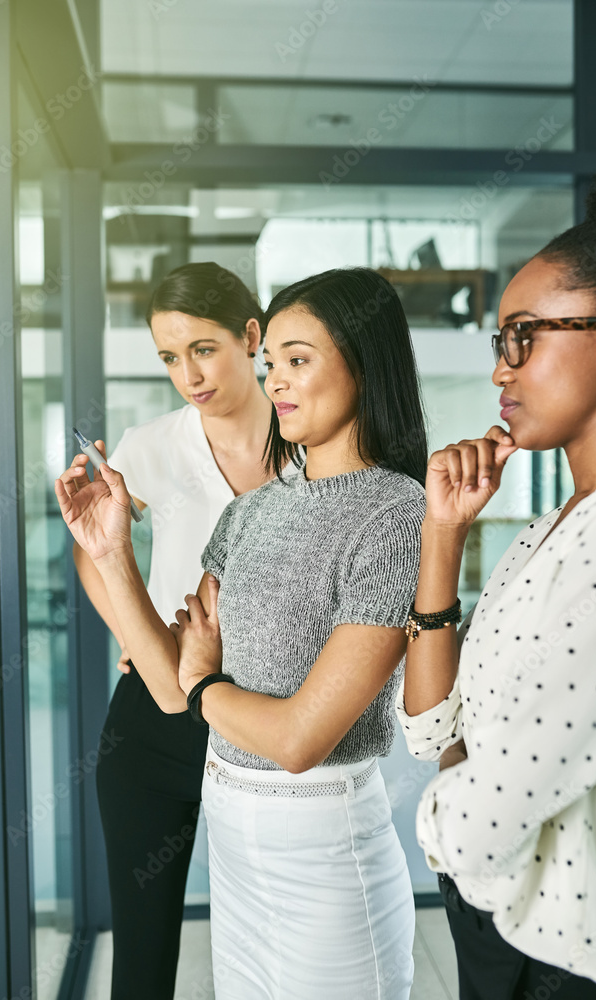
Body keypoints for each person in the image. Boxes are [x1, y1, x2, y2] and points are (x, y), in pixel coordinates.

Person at [56, 266, 428, 1000]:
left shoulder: (393, 511)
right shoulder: (252, 513)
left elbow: (295, 739)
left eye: (296, 361)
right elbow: (165, 688)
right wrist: (109, 552)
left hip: (321, 844)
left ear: (362, 359)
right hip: (235, 838)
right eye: (273, 367)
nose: (277, 383)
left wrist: (202, 682)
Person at [397, 180, 596, 998]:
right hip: (496, 925)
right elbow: (427, 729)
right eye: (497, 341)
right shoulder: (544, 529)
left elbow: (485, 819)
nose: (496, 370)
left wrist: (439, 826)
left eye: (522, 338)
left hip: (562, 960)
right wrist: (441, 534)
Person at [73, 262, 288, 1000]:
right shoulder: (152, 443)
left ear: (250, 336)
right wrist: (134, 641)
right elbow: (91, 547)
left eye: (202, 348)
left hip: (261, 716)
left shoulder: (308, 446)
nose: (187, 374)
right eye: (169, 356)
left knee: (265, 944)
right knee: (141, 952)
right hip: (151, 724)